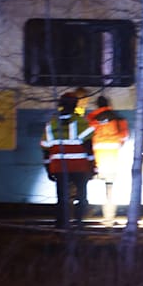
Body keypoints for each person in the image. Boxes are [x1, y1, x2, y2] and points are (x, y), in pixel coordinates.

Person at [40, 93, 95, 228]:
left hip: (59, 167)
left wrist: (48, 169)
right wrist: (92, 166)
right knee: (81, 197)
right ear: (75, 105)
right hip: (79, 167)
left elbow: (45, 149)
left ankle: (61, 225)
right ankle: (79, 224)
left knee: (62, 198)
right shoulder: (81, 123)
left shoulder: (51, 124)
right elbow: (88, 146)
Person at [86, 94, 129, 225]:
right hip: (112, 157)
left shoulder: (91, 119)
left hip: (97, 158)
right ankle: (109, 218)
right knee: (109, 188)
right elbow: (124, 137)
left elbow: (86, 137)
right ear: (109, 104)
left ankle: (85, 213)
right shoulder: (118, 118)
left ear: (97, 105)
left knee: (89, 185)